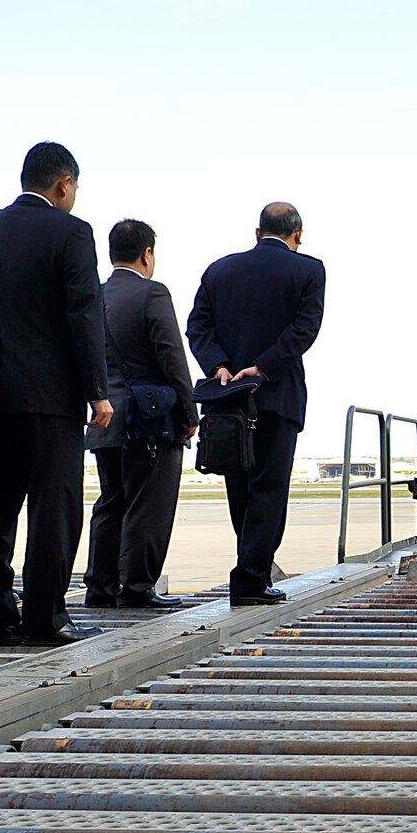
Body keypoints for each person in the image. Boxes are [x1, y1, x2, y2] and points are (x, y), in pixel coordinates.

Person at [0, 141, 112, 646]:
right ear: (63, 184)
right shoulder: (71, 231)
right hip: (49, 393)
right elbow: (83, 314)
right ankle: (45, 617)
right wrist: (98, 392)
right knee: (53, 507)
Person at [186, 201, 325, 603]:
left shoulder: (219, 270)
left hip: (227, 398)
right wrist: (262, 368)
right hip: (277, 394)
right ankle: (251, 578)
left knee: (239, 487)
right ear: (297, 235)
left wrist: (220, 366)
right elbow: (304, 330)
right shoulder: (309, 270)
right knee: (270, 487)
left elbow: (198, 326)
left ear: (257, 232)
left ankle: (250, 570)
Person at [85, 218, 195, 608]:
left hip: (104, 418)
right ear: (147, 253)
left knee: (111, 500)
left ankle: (100, 585)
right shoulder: (152, 294)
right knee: (149, 503)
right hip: (147, 421)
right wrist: (189, 411)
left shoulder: (92, 297)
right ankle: (136, 586)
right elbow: (172, 357)